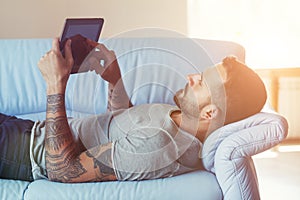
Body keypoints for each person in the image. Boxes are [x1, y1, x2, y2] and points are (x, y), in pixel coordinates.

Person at [0, 37, 267, 183]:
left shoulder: (159, 147)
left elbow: (64, 171)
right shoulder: (179, 118)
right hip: (27, 130)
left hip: (24, 153)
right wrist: (115, 79)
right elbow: (122, 126)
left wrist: (55, 85)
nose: (190, 76)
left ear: (210, 114)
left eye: (201, 82)